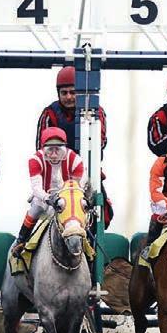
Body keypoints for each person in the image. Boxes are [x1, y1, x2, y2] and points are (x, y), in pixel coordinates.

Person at [36, 66, 113, 227]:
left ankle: (93, 244)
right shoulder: (49, 114)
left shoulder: (96, 112)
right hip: (55, 178)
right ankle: (23, 242)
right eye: (64, 93)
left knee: (104, 213)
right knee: (38, 210)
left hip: (87, 175)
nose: (69, 97)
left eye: (73, 92)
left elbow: (101, 142)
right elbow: (41, 149)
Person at [11, 127, 84, 257]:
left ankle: (87, 247)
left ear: (65, 148)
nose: (54, 154)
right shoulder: (35, 160)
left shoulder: (76, 161)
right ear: (43, 148)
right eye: (50, 149)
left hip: (67, 200)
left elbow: (76, 188)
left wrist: (63, 200)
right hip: (44, 197)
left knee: (79, 214)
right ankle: (21, 240)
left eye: (58, 149)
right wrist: (48, 198)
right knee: (35, 209)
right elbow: (37, 188)